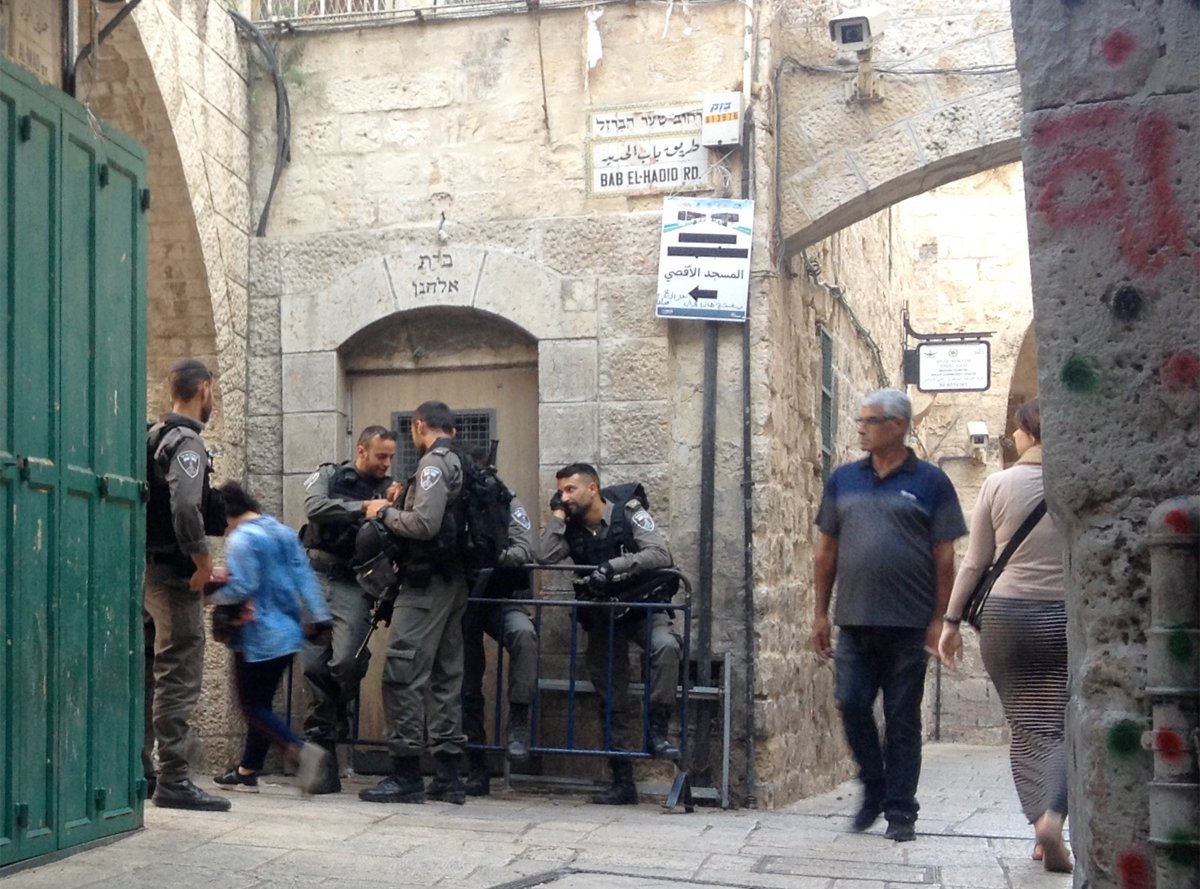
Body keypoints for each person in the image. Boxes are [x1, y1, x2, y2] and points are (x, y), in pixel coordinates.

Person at [812, 388, 966, 842]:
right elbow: (826, 553)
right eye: (860, 420)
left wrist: (940, 619)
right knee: (850, 702)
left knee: (902, 720)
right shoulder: (843, 480)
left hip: (909, 624)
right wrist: (820, 613)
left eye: (869, 420)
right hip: (855, 622)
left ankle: (901, 812)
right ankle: (874, 785)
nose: (860, 427)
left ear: (897, 425)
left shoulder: (932, 483)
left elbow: (944, 558)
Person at [937, 399, 1071, 873]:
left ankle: (1041, 823)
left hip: (1007, 619)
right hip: (1064, 619)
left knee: (1028, 726)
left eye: (1017, 430)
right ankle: (1053, 818)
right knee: (1058, 725)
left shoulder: (998, 484)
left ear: (1029, 434)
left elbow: (975, 562)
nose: (1012, 438)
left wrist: (951, 623)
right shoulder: (1075, 486)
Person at [538, 463, 683, 806]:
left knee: (665, 647)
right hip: (603, 617)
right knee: (610, 694)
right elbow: (543, 555)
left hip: (643, 607)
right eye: (561, 491)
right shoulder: (570, 525)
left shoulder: (629, 514)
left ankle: (657, 731)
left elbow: (660, 553)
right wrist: (558, 516)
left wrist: (613, 567)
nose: (565, 496)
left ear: (593, 489)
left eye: (571, 490)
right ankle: (622, 781)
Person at [359, 401, 470, 805]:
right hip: (454, 582)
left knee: (402, 672)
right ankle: (448, 774)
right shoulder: (463, 462)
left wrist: (384, 511)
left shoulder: (432, 465)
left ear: (419, 426)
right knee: (444, 676)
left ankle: (406, 774)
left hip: (425, 584)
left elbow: (425, 525)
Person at [207, 482, 334, 795]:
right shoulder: (282, 532)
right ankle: (247, 770)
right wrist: (318, 617)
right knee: (261, 703)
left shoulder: (242, 539)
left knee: (252, 707)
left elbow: (242, 586)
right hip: (289, 633)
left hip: (257, 634)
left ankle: (301, 750)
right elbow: (304, 577)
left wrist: (205, 593)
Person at [143, 357, 230, 811]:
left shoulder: (152, 436)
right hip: (175, 577)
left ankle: (139, 773)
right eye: (210, 390)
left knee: (146, 678)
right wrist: (202, 561)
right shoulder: (187, 443)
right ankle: (174, 778)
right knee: (177, 676)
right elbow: (184, 508)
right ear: (203, 389)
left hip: (145, 574)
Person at [300, 426, 399, 793]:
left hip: (353, 584)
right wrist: (362, 507)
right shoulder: (329, 474)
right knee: (312, 665)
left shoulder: (390, 489)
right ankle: (324, 748)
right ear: (362, 451)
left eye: (390, 457)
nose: (386, 463)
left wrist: (391, 506)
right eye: (381, 456)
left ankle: (340, 711)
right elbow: (313, 507)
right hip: (314, 577)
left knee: (344, 662)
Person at [459, 445, 539, 796]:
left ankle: (518, 720)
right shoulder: (448, 501)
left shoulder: (503, 498)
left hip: (499, 594)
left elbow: (525, 547)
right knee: (465, 683)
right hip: (460, 599)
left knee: (523, 636)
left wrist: (495, 553)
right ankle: (475, 764)